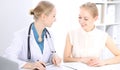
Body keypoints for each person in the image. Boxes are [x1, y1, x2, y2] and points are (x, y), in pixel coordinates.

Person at [3, 1, 61, 70]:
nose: (55, 20)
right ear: (43, 16)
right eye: (53, 16)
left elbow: (47, 56)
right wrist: (29, 65)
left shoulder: (50, 35)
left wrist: (54, 57)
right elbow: (8, 57)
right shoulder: (21, 35)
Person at [63, 2, 120, 67]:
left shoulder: (103, 36)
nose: (81, 21)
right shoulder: (71, 34)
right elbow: (65, 59)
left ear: (95, 18)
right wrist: (81, 59)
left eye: (86, 19)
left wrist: (103, 62)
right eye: (80, 17)